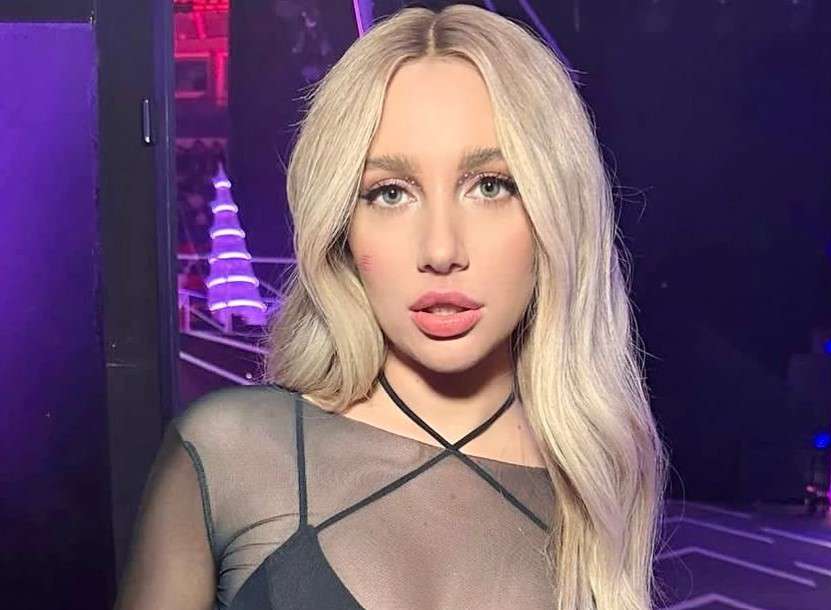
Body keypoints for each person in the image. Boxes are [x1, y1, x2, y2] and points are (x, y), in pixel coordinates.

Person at [113, 4, 667, 610]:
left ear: (556, 210)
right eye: (390, 193)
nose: (441, 250)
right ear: (342, 227)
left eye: (490, 186)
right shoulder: (228, 454)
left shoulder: (596, 482)